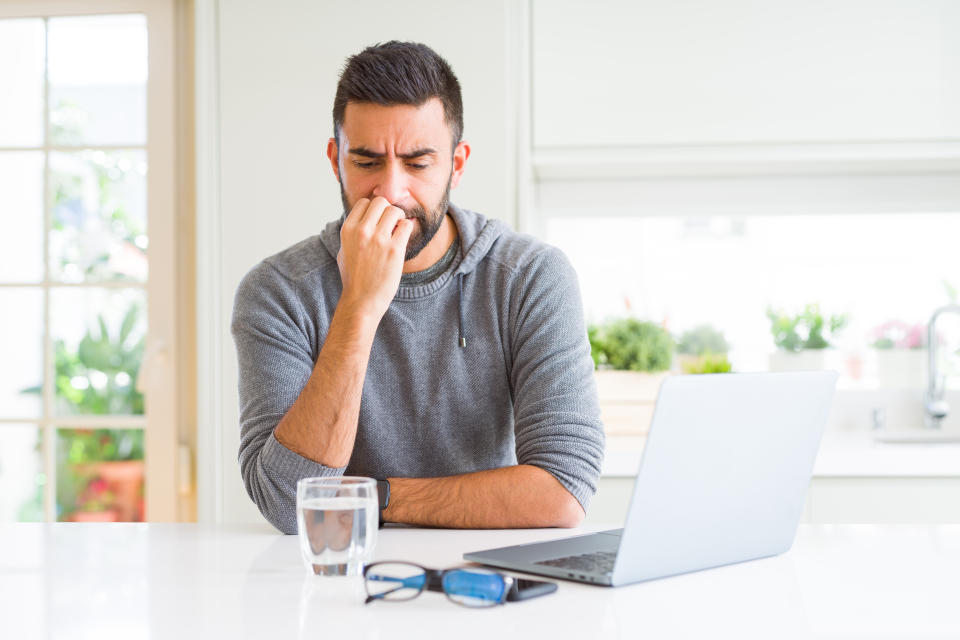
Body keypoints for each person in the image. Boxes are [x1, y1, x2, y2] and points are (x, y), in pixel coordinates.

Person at [232, 41, 604, 535]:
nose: (391, 190)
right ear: (335, 159)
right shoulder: (278, 292)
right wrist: (359, 309)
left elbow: (563, 489)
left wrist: (375, 496)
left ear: (458, 162)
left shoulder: (531, 277)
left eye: (418, 162)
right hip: (338, 586)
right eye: (365, 162)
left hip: (486, 581)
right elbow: (286, 505)